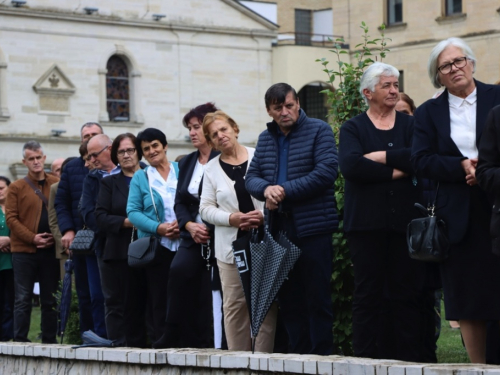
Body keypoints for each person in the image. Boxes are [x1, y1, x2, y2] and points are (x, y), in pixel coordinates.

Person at [412, 37, 500, 364]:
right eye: (446, 66)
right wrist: (459, 166)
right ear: (439, 76)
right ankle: (479, 368)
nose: (455, 69)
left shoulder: (497, 97)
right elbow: (420, 160)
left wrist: (488, 171)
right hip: (458, 215)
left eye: (459, 61)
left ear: (471, 62)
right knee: (468, 298)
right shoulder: (429, 112)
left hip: (496, 203)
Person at [338, 62, 424, 361]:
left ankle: (408, 360)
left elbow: (419, 158)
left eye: (395, 84)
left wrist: (380, 157)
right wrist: (397, 171)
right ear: (368, 92)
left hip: (405, 224)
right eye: (386, 85)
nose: (393, 90)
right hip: (366, 225)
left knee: (406, 294)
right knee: (367, 295)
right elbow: (351, 166)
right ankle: (364, 359)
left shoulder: (411, 125)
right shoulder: (353, 127)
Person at [245, 83, 338, 355]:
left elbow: (326, 172)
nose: (285, 112)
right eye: (278, 108)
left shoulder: (319, 130)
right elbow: (251, 178)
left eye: (289, 105)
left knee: (317, 297)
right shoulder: (265, 138)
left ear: (297, 103)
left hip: (313, 227)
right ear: (269, 110)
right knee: (290, 299)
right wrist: (265, 189)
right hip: (278, 228)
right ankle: (297, 359)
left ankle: (322, 359)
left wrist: (282, 190)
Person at [200, 110, 277, 352]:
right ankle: (238, 364)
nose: (220, 136)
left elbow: (276, 192)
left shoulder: (259, 157)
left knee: (266, 305)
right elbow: (205, 209)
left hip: (265, 241)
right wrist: (231, 218)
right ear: (211, 142)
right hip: (230, 248)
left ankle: (263, 364)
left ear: (234, 128)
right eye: (214, 135)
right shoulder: (211, 169)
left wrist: (264, 215)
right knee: (234, 308)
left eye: (223, 129)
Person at [154, 103, 221, 349]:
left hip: (218, 233)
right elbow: (179, 200)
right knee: (178, 273)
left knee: (209, 289)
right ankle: (172, 332)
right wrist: (190, 225)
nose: (192, 132)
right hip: (192, 234)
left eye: (196, 127)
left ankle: (211, 340)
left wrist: (208, 228)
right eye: (189, 128)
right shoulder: (187, 162)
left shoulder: (222, 158)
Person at [126, 128, 180, 345]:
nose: (151, 151)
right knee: (159, 298)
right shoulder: (141, 176)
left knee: (186, 295)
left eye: (155, 145)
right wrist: (159, 228)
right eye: (146, 148)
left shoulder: (181, 169)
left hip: (186, 243)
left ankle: (188, 341)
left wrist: (184, 224)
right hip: (158, 246)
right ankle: (162, 343)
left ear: (165, 146)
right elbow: (133, 211)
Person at [95, 133, 147, 347]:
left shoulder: (151, 176)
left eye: (130, 150)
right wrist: (129, 221)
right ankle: (124, 346)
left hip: (152, 247)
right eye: (121, 151)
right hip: (120, 251)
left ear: (138, 152)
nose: (126, 155)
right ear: (115, 155)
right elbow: (100, 216)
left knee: (150, 300)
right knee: (124, 303)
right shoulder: (109, 183)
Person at [5, 141, 59, 343]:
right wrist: (32, 238)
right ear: (24, 161)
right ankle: (20, 340)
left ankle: (49, 340)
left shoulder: (56, 182)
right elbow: (11, 218)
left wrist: (55, 237)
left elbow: (61, 212)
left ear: (44, 158)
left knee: (50, 298)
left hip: (50, 248)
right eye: (31, 159)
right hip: (23, 250)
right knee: (22, 298)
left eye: (39, 158)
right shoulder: (16, 187)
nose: (36, 162)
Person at [55, 122, 103, 338]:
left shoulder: (113, 165)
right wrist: (68, 230)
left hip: (107, 237)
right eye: (86, 135)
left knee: (105, 292)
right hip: (82, 240)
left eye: (94, 135)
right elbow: (62, 203)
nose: (88, 138)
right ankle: (87, 336)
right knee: (85, 293)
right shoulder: (72, 167)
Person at [49, 157, 76, 280]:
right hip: (66, 249)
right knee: (70, 287)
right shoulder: (55, 188)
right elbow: (54, 221)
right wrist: (65, 244)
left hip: (88, 245)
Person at [0, 176, 13, 341]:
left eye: (2, 188)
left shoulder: (15, 207)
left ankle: (10, 334)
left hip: (12, 260)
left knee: (11, 300)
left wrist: (10, 240)